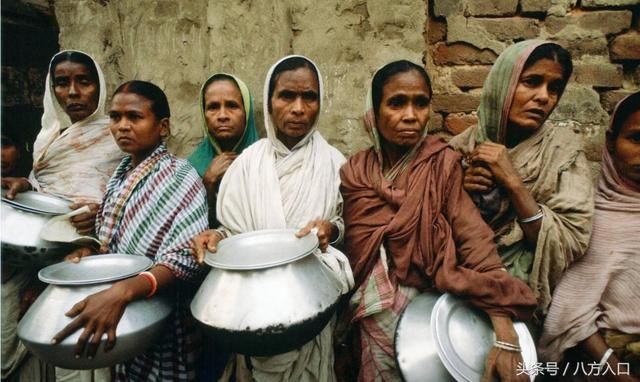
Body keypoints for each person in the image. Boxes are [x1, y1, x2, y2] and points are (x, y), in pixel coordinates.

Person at [340, 60, 537, 382]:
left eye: (420, 103)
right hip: (371, 313)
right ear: (374, 111)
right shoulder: (356, 173)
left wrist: (503, 326)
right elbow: (357, 251)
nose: (410, 115)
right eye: (396, 103)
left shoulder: (442, 164)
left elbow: (473, 238)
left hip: (427, 315)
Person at [191, 55, 353, 382]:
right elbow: (234, 231)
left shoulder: (335, 164)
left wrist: (331, 229)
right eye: (286, 96)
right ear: (268, 102)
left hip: (310, 307)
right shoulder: (247, 165)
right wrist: (217, 238)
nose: (298, 108)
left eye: (309, 97)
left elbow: (344, 226)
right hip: (252, 313)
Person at [52, 80, 209, 382]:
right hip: (118, 315)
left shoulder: (179, 175)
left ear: (162, 126)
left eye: (134, 117)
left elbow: (185, 258)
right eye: (115, 117)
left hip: (160, 320)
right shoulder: (121, 174)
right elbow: (113, 241)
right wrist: (90, 252)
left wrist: (123, 292)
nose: (122, 126)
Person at [448, 40, 593, 319]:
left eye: (554, 88)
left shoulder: (563, 152)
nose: (543, 97)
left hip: (522, 300)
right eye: (532, 82)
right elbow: (434, 230)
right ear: (503, 83)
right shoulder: (461, 148)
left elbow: (570, 242)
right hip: (457, 293)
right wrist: (461, 192)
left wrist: (512, 182)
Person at [1, 50, 123, 382]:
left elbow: (127, 197)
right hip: (37, 259)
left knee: (75, 354)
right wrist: (28, 184)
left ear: (99, 86)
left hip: (85, 263)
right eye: (62, 83)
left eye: (83, 81)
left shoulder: (118, 137)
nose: (72, 92)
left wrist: (99, 217)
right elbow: (50, 189)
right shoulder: (48, 137)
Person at [538, 92, 640, 381]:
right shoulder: (591, 221)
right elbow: (571, 316)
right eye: (636, 139)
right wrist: (620, 375)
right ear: (610, 141)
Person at [188, 73, 258, 228]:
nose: (222, 116)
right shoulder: (191, 169)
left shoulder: (266, 162)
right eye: (213, 107)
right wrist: (207, 184)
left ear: (247, 111)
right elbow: (187, 231)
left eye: (232, 106)